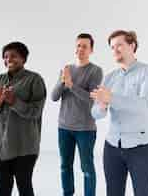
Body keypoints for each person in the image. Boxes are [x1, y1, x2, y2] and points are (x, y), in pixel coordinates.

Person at [90, 30, 148, 196]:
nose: (115, 50)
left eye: (119, 45)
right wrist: (102, 106)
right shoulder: (109, 78)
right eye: (112, 47)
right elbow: (95, 113)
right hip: (112, 146)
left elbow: (143, 105)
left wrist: (111, 97)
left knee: (144, 193)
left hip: (141, 148)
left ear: (132, 46)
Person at [0, 42, 46, 196]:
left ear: (23, 59)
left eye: (13, 56)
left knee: (24, 187)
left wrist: (14, 102)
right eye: (5, 56)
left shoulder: (34, 80)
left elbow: (35, 112)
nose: (8, 59)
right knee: (2, 189)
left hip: (24, 148)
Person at [51, 33, 103, 196]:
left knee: (87, 168)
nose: (80, 49)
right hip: (64, 127)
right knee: (65, 166)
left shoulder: (95, 71)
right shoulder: (67, 69)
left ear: (91, 50)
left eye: (84, 46)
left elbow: (91, 99)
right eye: (78, 45)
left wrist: (71, 85)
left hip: (85, 129)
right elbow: (54, 97)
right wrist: (62, 81)